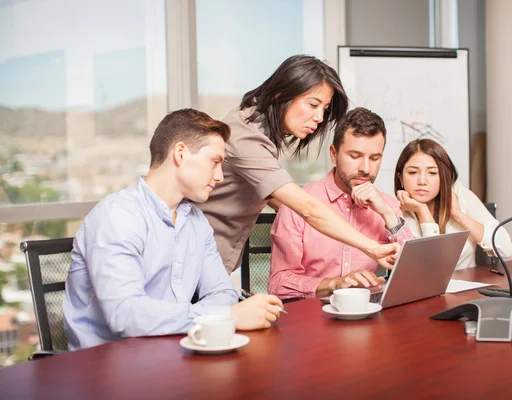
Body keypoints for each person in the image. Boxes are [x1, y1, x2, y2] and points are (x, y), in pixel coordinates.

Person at [63, 109, 283, 350]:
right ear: (180, 153)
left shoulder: (197, 222)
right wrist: (226, 315)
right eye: (215, 162)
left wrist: (217, 312)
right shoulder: (118, 215)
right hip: (104, 369)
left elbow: (222, 292)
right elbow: (125, 316)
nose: (220, 176)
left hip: (170, 355)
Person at [198, 55, 399, 275]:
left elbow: (270, 192)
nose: (319, 117)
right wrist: (372, 247)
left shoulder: (261, 129)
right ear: (281, 93)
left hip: (212, 263)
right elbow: (308, 208)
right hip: (197, 261)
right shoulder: (246, 136)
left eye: (324, 109)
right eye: (313, 104)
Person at [268, 107, 414, 299]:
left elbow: (416, 270)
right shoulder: (299, 203)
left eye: (375, 158)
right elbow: (278, 284)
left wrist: (387, 213)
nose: (365, 168)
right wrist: (333, 284)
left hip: (366, 315)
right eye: (355, 156)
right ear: (333, 154)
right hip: (311, 318)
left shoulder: (387, 206)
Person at [394, 138, 512, 270]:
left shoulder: (461, 196)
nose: (422, 181)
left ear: (444, 177)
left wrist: (458, 215)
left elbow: (505, 249)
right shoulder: (394, 211)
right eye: (413, 172)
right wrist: (422, 210)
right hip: (421, 289)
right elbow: (433, 270)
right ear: (400, 178)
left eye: (432, 173)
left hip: (467, 287)